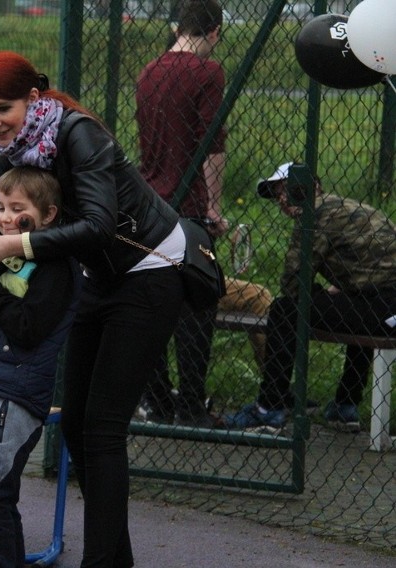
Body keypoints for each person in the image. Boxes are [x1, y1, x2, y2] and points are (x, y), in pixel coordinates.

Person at [0, 50, 186, 568]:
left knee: (102, 427)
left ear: (33, 99)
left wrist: (12, 249)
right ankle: (116, 559)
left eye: (3, 108)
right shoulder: (13, 146)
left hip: (148, 270)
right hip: (94, 274)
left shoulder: (79, 133)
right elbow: (0, 225)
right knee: (75, 426)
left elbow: (99, 227)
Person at [134, 0, 272, 427]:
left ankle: (158, 400)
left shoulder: (148, 71)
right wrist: (213, 206)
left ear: (179, 27)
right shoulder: (207, 72)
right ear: (213, 32)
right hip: (189, 206)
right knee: (197, 307)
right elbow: (212, 143)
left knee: (152, 303)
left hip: (150, 204)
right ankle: (191, 406)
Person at [0, 166, 79, 567]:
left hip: (14, 398)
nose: (5, 217)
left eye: (17, 209)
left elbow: (25, 330)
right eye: (1, 207)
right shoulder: (8, 255)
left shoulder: (56, 268)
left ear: (48, 216)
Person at [224, 162, 396, 433]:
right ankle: (345, 407)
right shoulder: (342, 206)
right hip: (384, 307)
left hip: (381, 307)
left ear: (311, 187)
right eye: (277, 194)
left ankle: (269, 407)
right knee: (352, 308)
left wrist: (313, 292)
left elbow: (292, 285)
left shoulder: (313, 215)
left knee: (284, 309)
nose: (281, 199)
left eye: (286, 190)